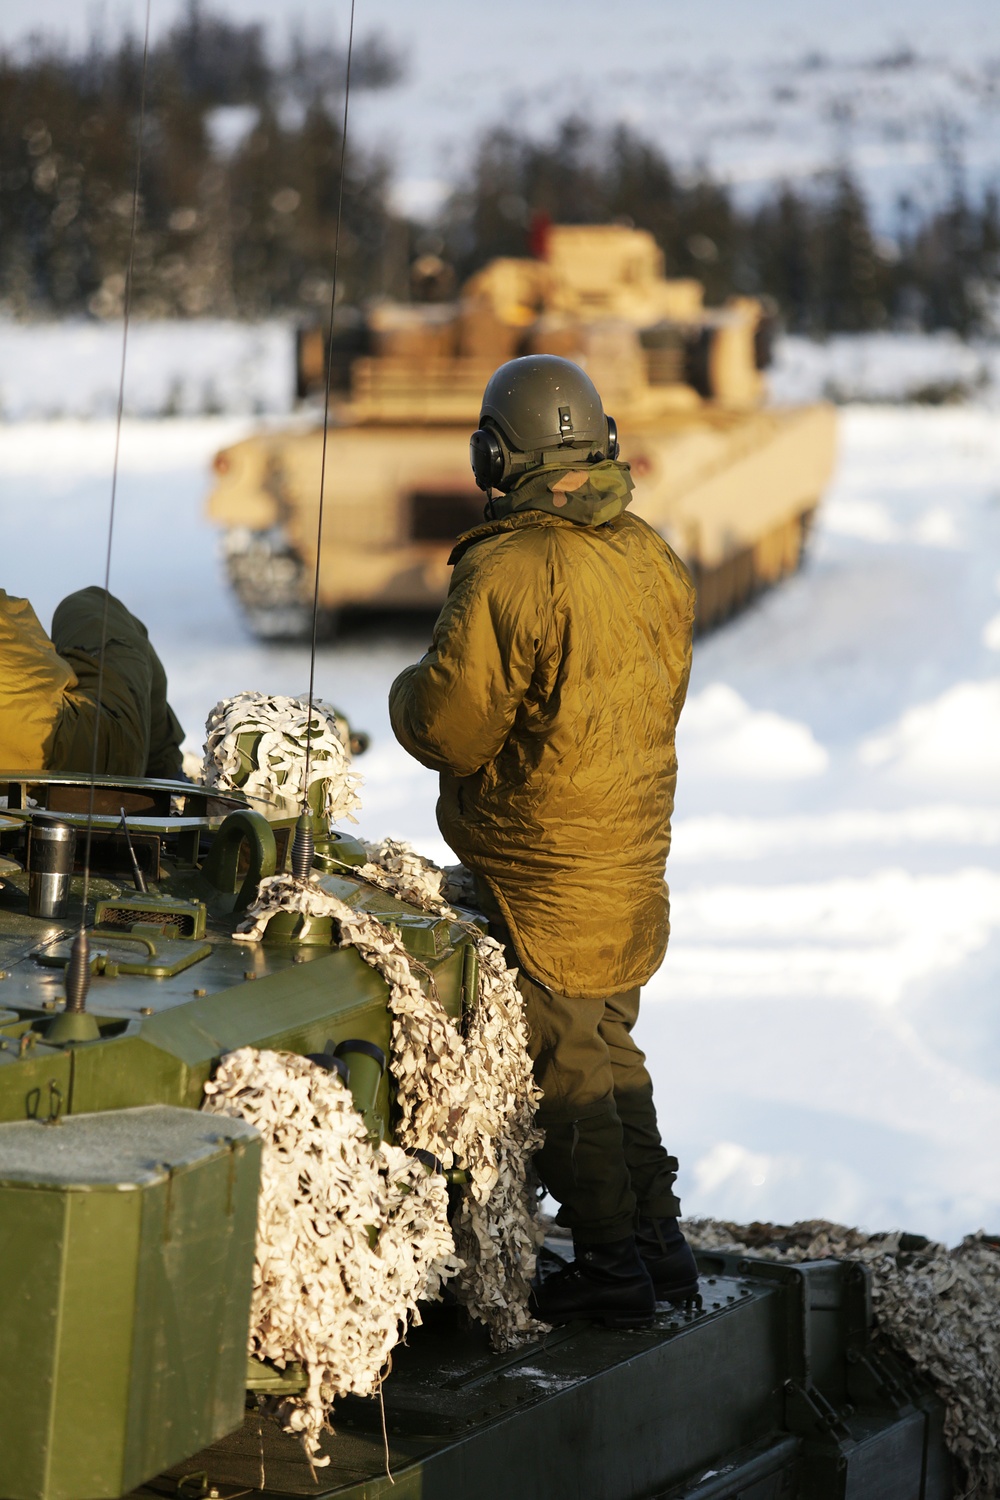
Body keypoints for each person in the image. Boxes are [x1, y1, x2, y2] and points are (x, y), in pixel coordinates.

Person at [389, 355, 699, 1328]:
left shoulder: (513, 565)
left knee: (563, 1069)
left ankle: (612, 1267)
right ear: (597, 443)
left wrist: (404, 694)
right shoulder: (649, 552)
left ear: (494, 454)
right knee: (608, 1045)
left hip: (542, 863)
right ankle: (660, 1246)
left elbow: (450, 726)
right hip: (628, 849)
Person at [0, 585, 184, 778]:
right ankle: (170, 779)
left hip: (18, 778)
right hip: (88, 755)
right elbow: (56, 671)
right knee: (85, 605)